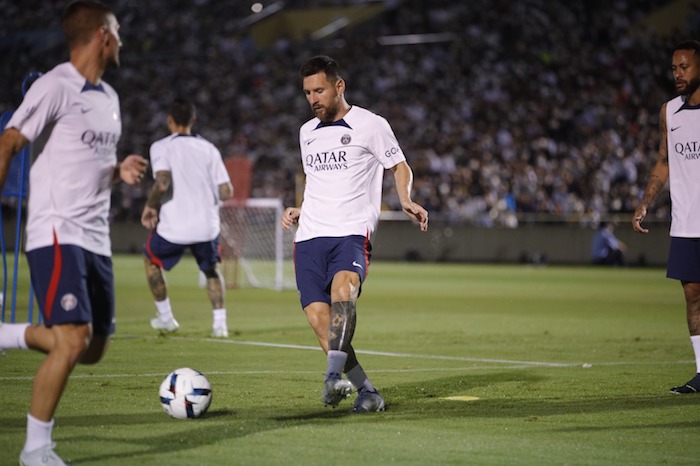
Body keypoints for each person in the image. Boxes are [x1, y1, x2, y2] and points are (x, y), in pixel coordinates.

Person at [0, 2, 148, 465]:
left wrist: (116, 170)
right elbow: (9, 141)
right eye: (118, 33)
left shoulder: (109, 98)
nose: (122, 41)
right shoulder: (55, 85)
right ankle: (36, 450)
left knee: (92, 348)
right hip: (57, 230)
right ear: (103, 35)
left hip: (96, 238)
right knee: (71, 339)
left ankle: (6, 334)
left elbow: (89, 164)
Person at [280, 55, 428, 412]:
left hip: (349, 232)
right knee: (319, 319)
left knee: (345, 289)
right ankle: (366, 390)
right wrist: (302, 208)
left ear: (338, 86)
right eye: (307, 93)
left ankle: (332, 378)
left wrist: (405, 197)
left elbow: (399, 164)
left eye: (319, 90)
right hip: (310, 236)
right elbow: (319, 181)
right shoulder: (305, 133)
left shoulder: (370, 124)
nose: (313, 98)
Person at [633, 39, 700, 394]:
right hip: (687, 220)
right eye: (674, 68)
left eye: (684, 66)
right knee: (692, 294)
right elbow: (664, 161)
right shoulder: (669, 112)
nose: (677, 73)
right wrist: (645, 201)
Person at [141, 98, 233, 338]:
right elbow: (226, 192)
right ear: (193, 120)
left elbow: (162, 182)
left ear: (169, 120)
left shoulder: (161, 146)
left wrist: (150, 206)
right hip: (206, 226)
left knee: (151, 259)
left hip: (175, 227)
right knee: (211, 270)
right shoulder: (209, 149)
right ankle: (220, 325)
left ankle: (166, 318)